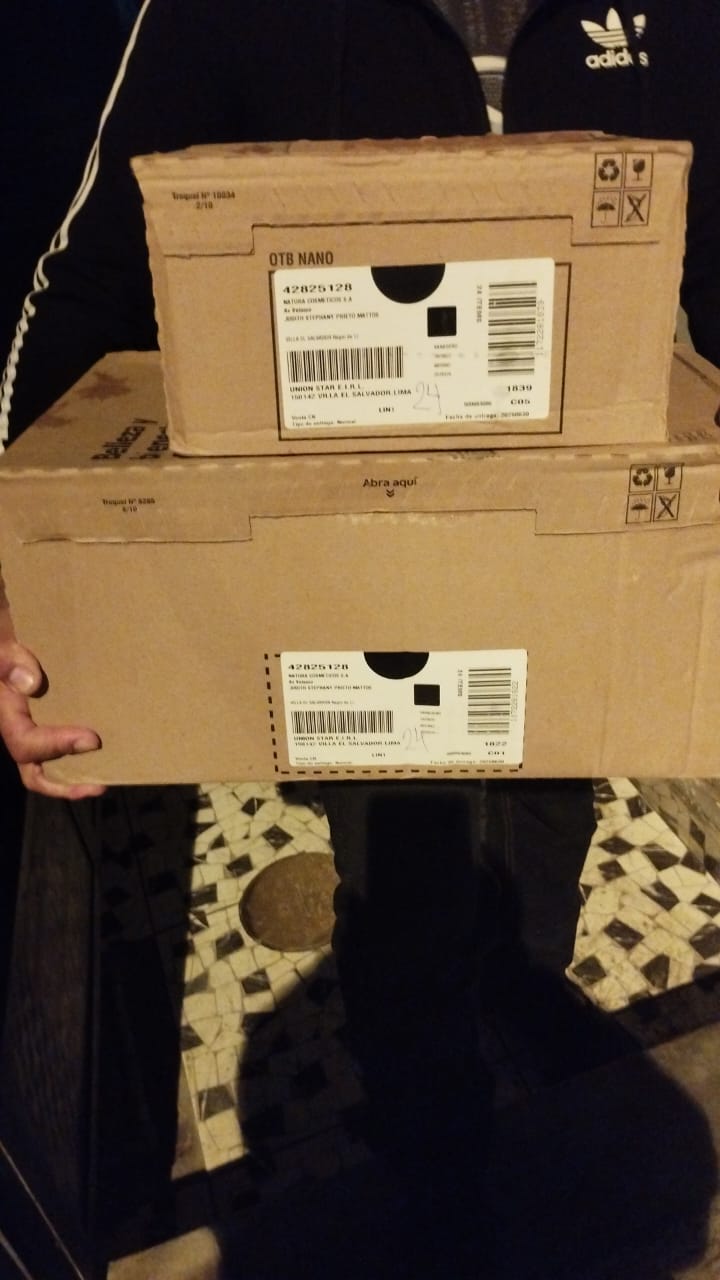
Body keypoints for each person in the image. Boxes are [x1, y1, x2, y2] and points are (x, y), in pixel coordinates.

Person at [0, 1, 632, 1270]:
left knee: (549, 828)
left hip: (568, 537)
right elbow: (90, 273)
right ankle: (441, 1175)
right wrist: (13, 570)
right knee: (406, 887)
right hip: (361, 553)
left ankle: (515, 1003)